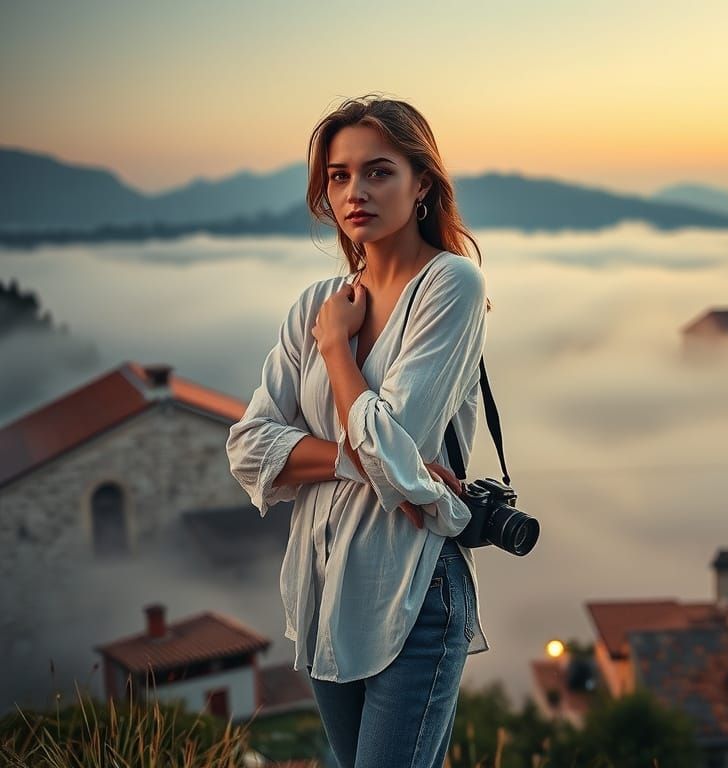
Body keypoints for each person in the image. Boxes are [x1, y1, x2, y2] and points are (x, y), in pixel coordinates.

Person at [225, 94, 490, 768]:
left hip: (414, 590)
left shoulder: (450, 285)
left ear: (421, 182)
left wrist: (339, 352)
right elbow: (249, 447)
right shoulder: (315, 303)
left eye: (378, 172)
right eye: (339, 176)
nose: (354, 192)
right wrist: (357, 459)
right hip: (320, 596)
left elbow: (391, 443)